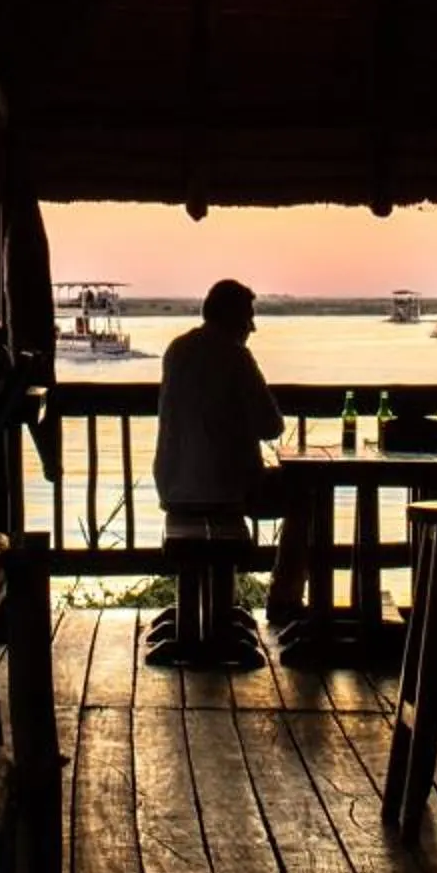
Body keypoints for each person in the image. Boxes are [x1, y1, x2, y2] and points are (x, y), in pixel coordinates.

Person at [151, 278, 285, 665]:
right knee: (305, 495)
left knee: (210, 514)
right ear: (235, 320)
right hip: (228, 491)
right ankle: (286, 600)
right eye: (249, 319)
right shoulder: (235, 356)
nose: (251, 329)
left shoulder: (177, 350)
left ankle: (200, 622)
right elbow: (271, 426)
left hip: (173, 486)